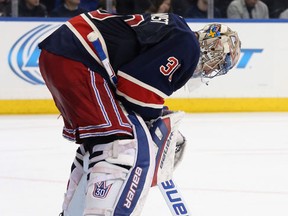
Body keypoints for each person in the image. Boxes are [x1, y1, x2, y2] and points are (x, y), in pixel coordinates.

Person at [38, 9, 241, 215]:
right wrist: (158, 119)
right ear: (212, 48)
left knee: (100, 140)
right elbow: (134, 90)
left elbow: (132, 88)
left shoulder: (179, 33)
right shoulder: (188, 45)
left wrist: (156, 114)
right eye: (218, 63)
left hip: (68, 52)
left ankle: (72, 210)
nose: (210, 70)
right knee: (122, 143)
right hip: (79, 56)